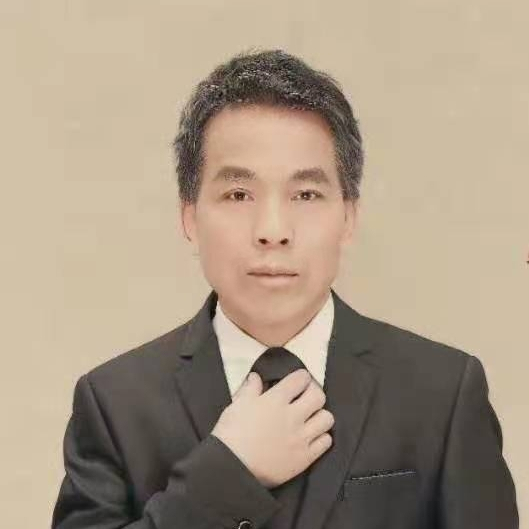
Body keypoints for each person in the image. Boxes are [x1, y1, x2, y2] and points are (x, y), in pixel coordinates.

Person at [52, 48, 518, 529]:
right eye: (238, 194)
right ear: (189, 217)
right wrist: (225, 475)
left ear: (348, 217)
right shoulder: (114, 404)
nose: (273, 230)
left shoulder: (442, 393)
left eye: (306, 194)